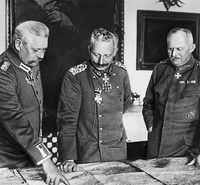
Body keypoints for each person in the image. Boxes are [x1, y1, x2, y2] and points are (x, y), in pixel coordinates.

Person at [0, 21, 69, 185]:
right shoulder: (4, 72)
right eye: (36, 50)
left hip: (30, 155)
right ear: (18, 44)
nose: (41, 56)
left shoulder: (30, 60)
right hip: (7, 160)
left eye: (44, 49)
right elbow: (15, 119)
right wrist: (46, 160)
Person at [57, 27, 132, 172]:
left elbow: (125, 102)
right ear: (89, 49)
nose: (101, 61)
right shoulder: (75, 76)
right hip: (87, 151)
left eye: (107, 55)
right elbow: (67, 119)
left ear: (115, 52)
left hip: (117, 150)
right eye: (96, 54)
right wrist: (68, 157)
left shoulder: (121, 72)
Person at [142, 28, 200, 159]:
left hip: (187, 150)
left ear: (192, 47)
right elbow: (148, 104)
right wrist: (151, 127)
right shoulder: (160, 69)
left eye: (179, 49)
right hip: (156, 146)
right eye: (170, 49)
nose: (174, 54)